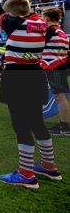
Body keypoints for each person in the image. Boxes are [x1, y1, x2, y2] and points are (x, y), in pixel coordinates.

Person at [0, 0, 61, 189]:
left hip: (17, 78)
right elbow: (22, 7)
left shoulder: (11, 24)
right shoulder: (39, 22)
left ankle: (26, 174)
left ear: (11, 14)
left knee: (21, 126)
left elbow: (0, 11)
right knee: (37, 123)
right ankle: (49, 166)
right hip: (36, 76)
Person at [40, 7, 69, 136]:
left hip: (54, 67)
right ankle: (64, 126)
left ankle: (65, 128)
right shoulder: (60, 31)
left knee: (59, 96)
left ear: (46, 18)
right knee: (59, 96)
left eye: (42, 17)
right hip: (59, 66)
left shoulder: (50, 30)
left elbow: (37, 44)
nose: (41, 19)